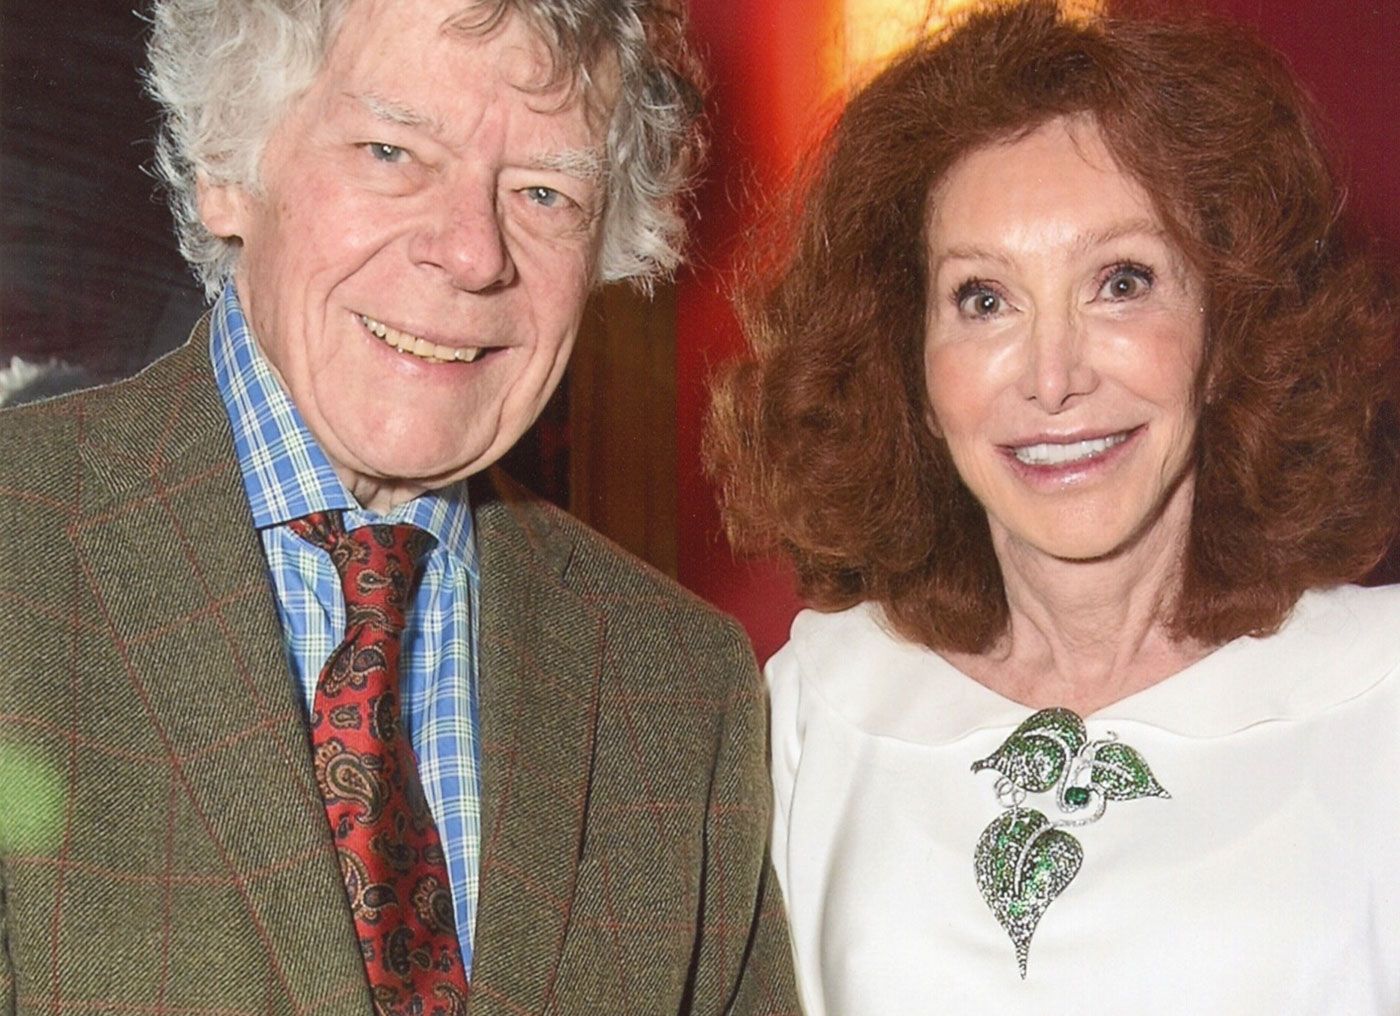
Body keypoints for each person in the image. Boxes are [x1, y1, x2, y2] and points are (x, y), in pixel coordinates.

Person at [0, 1, 799, 1012]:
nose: (472, 253)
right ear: (226, 167)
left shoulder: (681, 686)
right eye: (391, 149)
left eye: (544, 192)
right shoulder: (17, 549)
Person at [706, 2, 1400, 1012]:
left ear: (1228, 319)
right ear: (909, 361)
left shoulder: (1378, 695)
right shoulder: (817, 704)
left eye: (1120, 281)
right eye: (982, 298)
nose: (1050, 375)